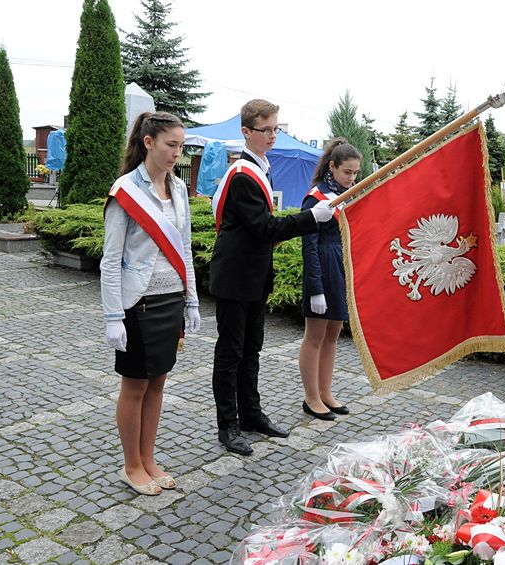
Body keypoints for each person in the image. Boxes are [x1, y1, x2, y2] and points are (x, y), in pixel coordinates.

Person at [210, 99, 333, 455]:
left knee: (252, 350)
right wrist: (311, 218)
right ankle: (228, 425)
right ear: (246, 132)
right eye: (266, 130)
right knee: (230, 354)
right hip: (235, 278)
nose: (273, 135)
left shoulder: (260, 168)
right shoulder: (243, 176)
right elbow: (264, 228)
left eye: (276, 128)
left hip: (254, 276)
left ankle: (251, 415)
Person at [100, 112, 201, 496]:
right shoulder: (125, 190)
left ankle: (148, 458)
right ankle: (131, 465)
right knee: (136, 385)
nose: (178, 153)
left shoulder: (178, 190)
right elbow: (111, 259)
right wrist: (113, 316)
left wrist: (190, 300)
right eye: (170, 145)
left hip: (170, 299)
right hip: (137, 304)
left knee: (158, 381)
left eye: (181, 146)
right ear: (148, 143)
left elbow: (185, 249)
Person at [298, 139, 361, 421]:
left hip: (340, 268)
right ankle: (311, 397)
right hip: (322, 268)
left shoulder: (347, 195)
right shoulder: (315, 198)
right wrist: (315, 289)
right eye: (347, 172)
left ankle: (326, 392)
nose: (352, 178)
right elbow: (308, 246)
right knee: (314, 337)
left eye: (355, 173)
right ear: (332, 166)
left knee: (333, 337)